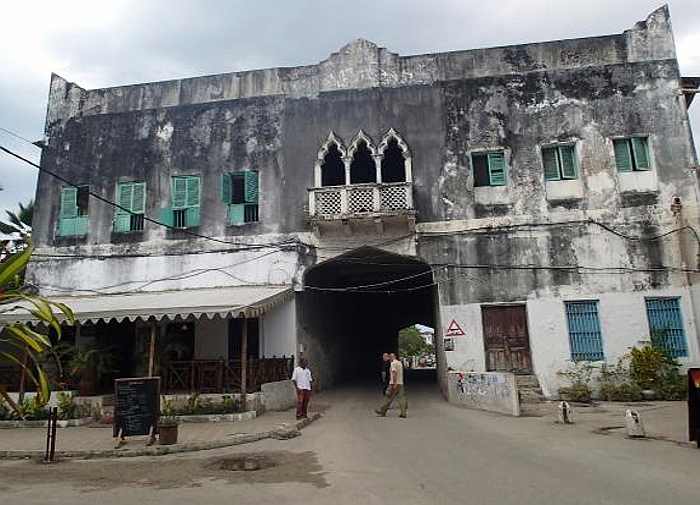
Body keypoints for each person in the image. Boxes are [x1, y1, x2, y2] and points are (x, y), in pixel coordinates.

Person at [375, 352, 407, 418]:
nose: (389, 359)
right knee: (401, 398)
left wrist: (394, 383)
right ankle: (403, 413)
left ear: (392, 357)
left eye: (389, 358)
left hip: (393, 383)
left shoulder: (393, 364)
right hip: (400, 383)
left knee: (388, 397)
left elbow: (394, 373)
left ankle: (382, 411)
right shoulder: (399, 363)